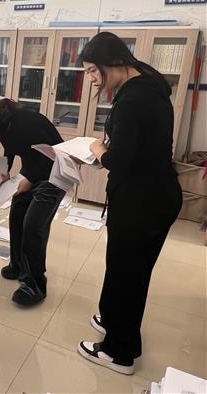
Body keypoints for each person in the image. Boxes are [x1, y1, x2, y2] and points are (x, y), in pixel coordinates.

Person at [77, 32, 183, 375]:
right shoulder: (146, 83)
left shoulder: (133, 100)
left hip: (142, 202)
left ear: (113, 63)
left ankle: (119, 353)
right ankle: (113, 320)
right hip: (151, 195)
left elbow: (119, 161)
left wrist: (98, 150)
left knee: (128, 274)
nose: (92, 80)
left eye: (93, 71)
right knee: (125, 269)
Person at [0, 97, 65, 306]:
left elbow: (52, 155)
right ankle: (19, 266)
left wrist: (29, 178)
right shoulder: (2, 123)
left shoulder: (23, 122)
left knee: (33, 225)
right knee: (17, 213)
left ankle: (34, 285)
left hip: (56, 173)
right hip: (34, 170)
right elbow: (10, 147)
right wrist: (5, 171)